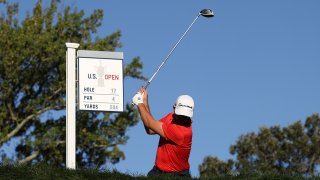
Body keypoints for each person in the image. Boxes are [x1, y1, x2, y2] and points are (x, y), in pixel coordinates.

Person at [132, 86, 194, 178]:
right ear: (174, 108)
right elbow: (150, 129)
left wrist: (139, 102)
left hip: (177, 175)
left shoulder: (182, 133)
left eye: (185, 116)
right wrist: (145, 101)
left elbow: (149, 122)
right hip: (157, 171)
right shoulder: (171, 117)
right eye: (181, 115)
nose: (183, 118)